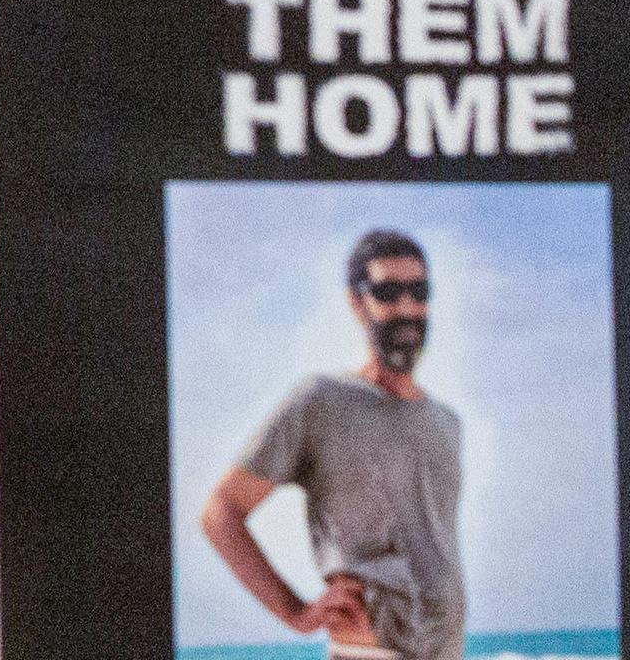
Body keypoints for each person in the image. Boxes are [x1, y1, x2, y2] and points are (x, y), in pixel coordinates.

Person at [196, 229, 462, 660]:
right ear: (358, 303)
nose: (407, 307)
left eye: (419, 291)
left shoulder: (448, 423)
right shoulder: (323, 401)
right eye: (388, 292)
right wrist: (295, 612)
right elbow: (220, 511)